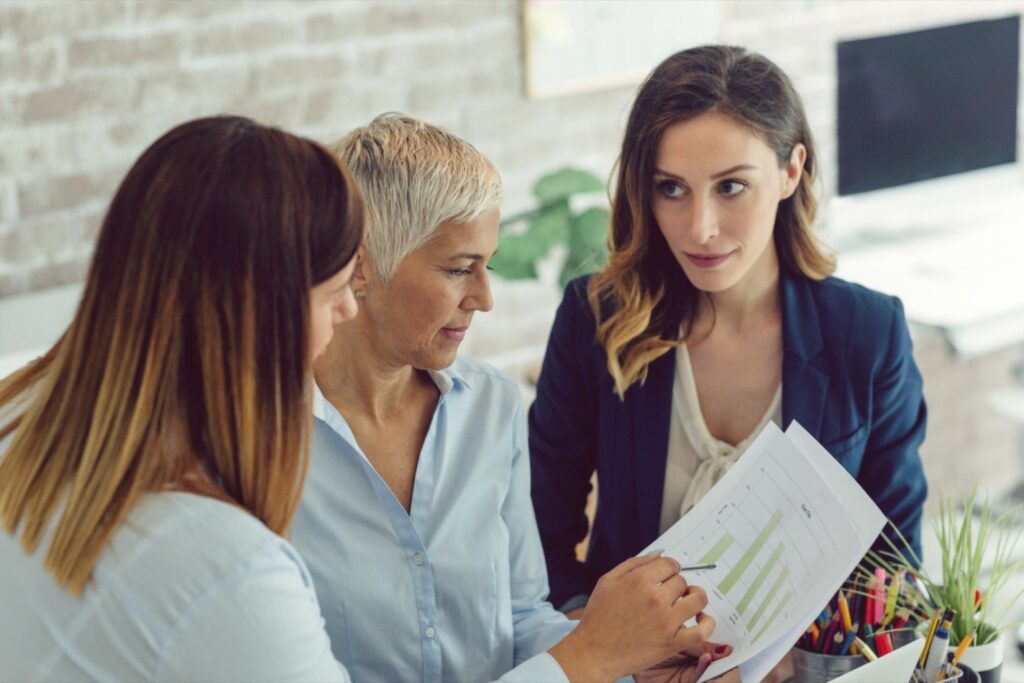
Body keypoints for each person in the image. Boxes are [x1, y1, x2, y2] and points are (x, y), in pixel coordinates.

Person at [289, 113, 733, 683]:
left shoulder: (490, 406)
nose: (483, 297)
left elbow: (521, 617)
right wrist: (595, 654)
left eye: (488, 266)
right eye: (458, 269)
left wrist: (632, 663)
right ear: (360, 269)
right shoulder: (263, 441)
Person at [529, 45, 928, 621]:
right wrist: (596, 641)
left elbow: (895, 569)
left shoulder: (867, 335)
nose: (700, 229)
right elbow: (539, 535)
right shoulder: (597, 319)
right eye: (671, 188)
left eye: (731, 186)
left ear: (791, 170)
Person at [0, 116, 363, 682]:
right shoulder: (224, 572)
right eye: (335, 293)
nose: (350, 312)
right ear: (262, 319)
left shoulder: (17, 417)